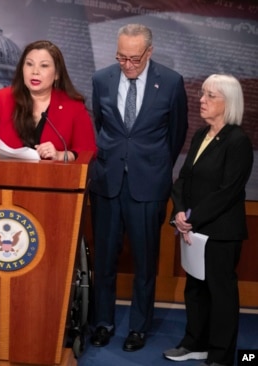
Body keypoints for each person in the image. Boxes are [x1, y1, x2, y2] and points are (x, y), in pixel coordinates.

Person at [89, 23, 188, 352]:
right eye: (121, 57)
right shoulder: (102, 79)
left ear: (149, 52)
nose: (127, 65)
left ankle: (138, 327)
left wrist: (153, 166)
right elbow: (99, 127)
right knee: (104, 260)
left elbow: (176, 134)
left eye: (134, 58)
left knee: (146, 262)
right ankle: (102, 322)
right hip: (107, 183)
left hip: (148, 186)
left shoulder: (171, 82)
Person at [163, 74, 253, 366]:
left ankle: (221, 355)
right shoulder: (202, 134)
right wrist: (179, 211)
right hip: (193, 230)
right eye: (203, 94)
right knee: (195, 290)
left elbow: (227, 192)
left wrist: (191, 217)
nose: (201, 100)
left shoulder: (238, 141)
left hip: (220, 233)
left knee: (220, 294)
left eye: (210, 96)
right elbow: (184, 178)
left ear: (229, 103)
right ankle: (195, 343)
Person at [0, 40, 96, 161]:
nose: (35, 72)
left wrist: (60, 155)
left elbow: (87, 151)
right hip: (6, 175)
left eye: (44, 66)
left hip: (54, 178)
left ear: (57, 73)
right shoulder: (1, 98)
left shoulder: (73, 106)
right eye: (29, 64)